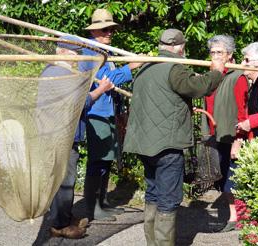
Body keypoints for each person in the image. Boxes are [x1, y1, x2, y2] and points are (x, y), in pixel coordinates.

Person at [123, 28, 226, 246]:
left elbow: (166, 96)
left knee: (152, 194)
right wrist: (216, 72)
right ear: (180, 48)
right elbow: (198, 88)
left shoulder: (144, 69)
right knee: (168, 201)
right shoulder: (174, 68)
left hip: (144, 145)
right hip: (166, 146)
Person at [42, 36, 115, 239]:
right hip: (60, 137)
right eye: (75, 54)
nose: (78, 59)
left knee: (61, 180)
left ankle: (64, 216)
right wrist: (101, 90)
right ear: (63, 52)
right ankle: (61, 225)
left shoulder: (53, 70)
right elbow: (78, 103)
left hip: (56, 135)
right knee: (64, 182)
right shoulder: (60, 74)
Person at [81, 8, 142, 222]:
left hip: (109, 111)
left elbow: (112, 85)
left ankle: (102, 201)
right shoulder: (89, 52)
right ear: (95, 32)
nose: (109, 33)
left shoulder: (107, 51)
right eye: (105, 30)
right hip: (96, 113)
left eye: (111, 29)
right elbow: (103, 79)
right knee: (97, 160)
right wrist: (129, 68)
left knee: (107, 159)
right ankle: (92, 207)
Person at [204, 35, 249, 232]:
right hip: (217, 133)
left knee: (233, 178)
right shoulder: (213, 75)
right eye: (212, 52)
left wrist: (238, 140)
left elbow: (242, 112)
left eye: (219, 52)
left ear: (230, 55)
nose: (215, 56)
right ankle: (236, 216)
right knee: (224, 177)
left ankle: (237, 218)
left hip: (232, 135)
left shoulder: (237, 77)